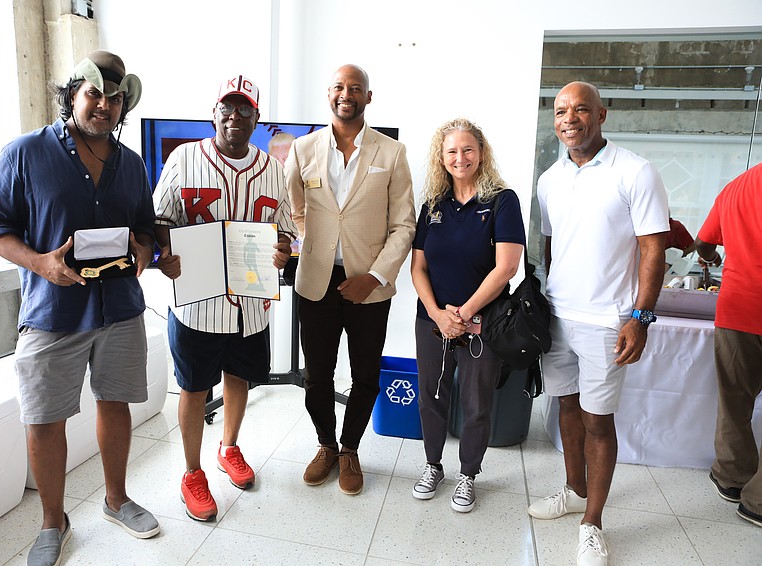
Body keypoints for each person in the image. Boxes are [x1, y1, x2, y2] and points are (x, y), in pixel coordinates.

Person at [0, 50, 160, 566]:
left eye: (115, 98)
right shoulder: (26, 153)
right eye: (94, 93)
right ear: (72, 94)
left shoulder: (131, 164)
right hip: (52, 311)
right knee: (44, 420)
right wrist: (40, 263)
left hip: (120, 308)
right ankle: (53, 522)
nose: (104, 105)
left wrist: (145, 249)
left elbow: (146, 228)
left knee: (116, 403)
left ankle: (116, 500)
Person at [532, 81, 669, 566]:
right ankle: (574, 491)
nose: (569, 119)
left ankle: (592, 523)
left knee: (597, 420)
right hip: (558, 315)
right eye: (560, 111)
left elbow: (653, 248)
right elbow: (552, 245)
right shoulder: (550, 179)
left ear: (602, 114)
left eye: (581, 109)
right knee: (566, 407)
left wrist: (640, 317)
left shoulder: (635, 171)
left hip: (608, 320)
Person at [152, 75, 295, 522]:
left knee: (239, 379)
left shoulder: (272, 169)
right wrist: (165, 253)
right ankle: (192, 473)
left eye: (244, 108)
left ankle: (228, 447)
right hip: (197, 303)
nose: (235, 115)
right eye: (226, 107)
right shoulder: (184, 158)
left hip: (250, 304)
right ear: (214, 114)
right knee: (194, 387)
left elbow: (285, 228)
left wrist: (282, 250)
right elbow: (160, 218)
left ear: (256, 117)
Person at [285, 64, 416, 495]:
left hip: (368, 285)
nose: (347, 94)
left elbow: (404, 225)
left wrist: (374, 277)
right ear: (329, 94)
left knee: (365, 376)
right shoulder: (303, 149)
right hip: (315, 282)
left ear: (368, 97)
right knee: (316, 376)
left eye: (355, 88)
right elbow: (293, 208)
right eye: (339, 87)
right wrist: (310, 240)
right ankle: (326, 445)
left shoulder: (391, 152)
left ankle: (350, 449)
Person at [410, 118, 524, 513]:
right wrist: (437, 314)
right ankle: (433, 465)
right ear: (441, 158)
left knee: (477, 403)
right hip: (433, 321)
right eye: (452, 151)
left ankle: (469, 474)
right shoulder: (432, 205)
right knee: (431, 396)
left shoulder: (502, 201)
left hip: (482, 323)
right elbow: (418, 267)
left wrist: (464, 314)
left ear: (481, 152)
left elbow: (507, 267)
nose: (460, 158)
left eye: (468, 149)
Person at [694, 163, 762, 529]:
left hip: (737, 310)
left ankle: (732, 476)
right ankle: (758, 501)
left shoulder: (738, 185)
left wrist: (711, 257)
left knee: (735, 400)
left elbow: (704, 242)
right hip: (743, 308)